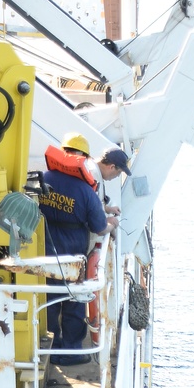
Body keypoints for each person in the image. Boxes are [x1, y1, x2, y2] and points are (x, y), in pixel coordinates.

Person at [38, 131, 107, 363]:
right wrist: (111, 223)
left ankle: (48, 346)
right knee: (74, 302)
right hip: (72, 256)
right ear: (83, 158)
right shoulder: (86, 190)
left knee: (47, 300)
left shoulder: (43, 178)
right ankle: (70, 350)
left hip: (44, 251)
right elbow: (99, 227)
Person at [94, 148, 130, 231]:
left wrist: (108, 209)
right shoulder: (92, 177)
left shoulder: (95, 171)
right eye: (119, 172)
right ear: (112, 167)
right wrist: (108, 223)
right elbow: (97, 226)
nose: (118, 176)